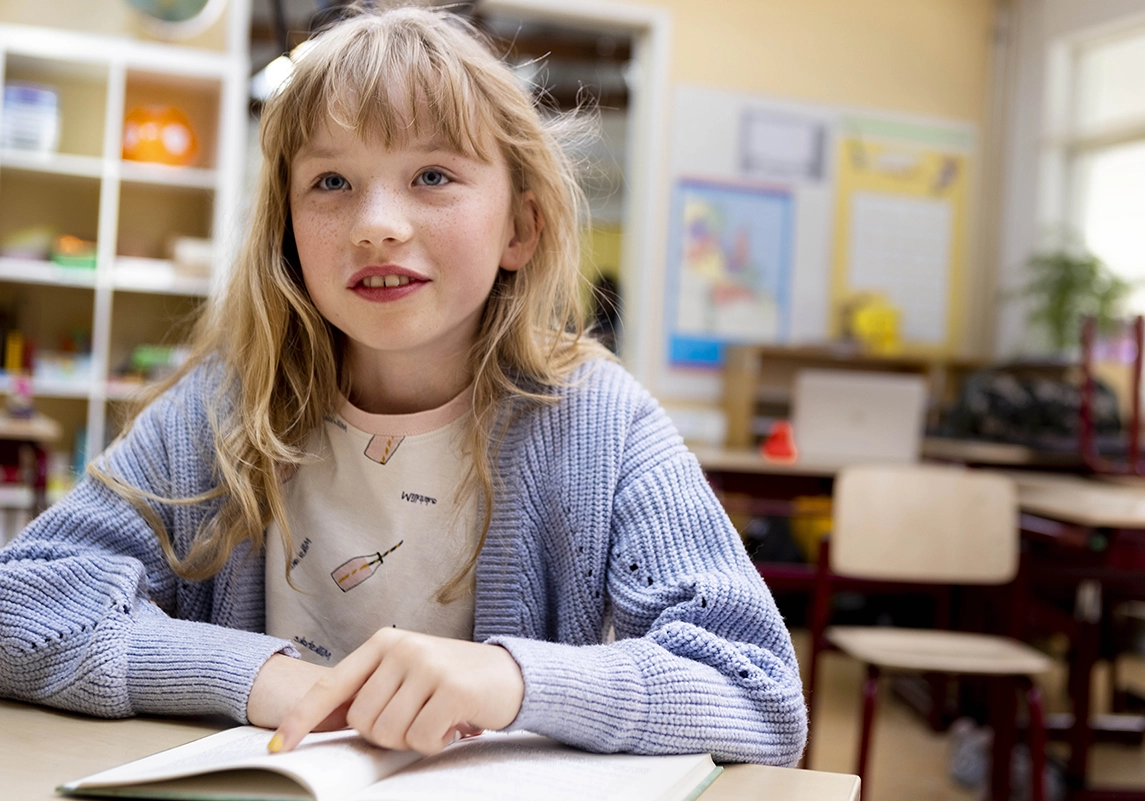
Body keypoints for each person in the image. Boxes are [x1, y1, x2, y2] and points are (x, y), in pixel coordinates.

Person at [0, 5, 805, 767]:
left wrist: (514, 680)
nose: (376, 223)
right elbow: (21, 608)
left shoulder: (600, 419)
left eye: (431, 175)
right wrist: (259, 675)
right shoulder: (222, 407)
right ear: (286, 228)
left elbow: (759, 692)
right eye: (331, 183)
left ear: (519, 228)